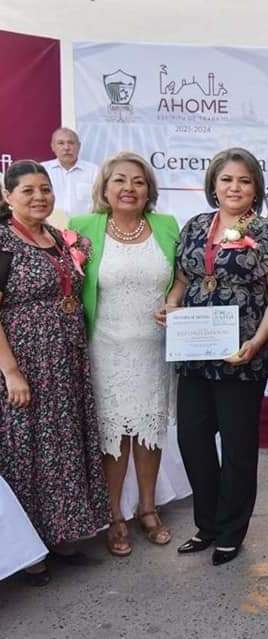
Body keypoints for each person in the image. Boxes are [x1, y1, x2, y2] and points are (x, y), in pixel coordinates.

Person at [157, 148, 268, 566]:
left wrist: (257, 340)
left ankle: (232, 531)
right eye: (227, 180)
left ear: (256, 188)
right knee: (193, 441)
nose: (235, 188)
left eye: (244, 180)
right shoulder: (196, 226)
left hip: (243, 353)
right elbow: (181, 280)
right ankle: (208, 524)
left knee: (236, 447)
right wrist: (171, 305)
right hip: (194, 352)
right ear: (214, 185)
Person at [0, 160, 110, 584]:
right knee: (26, 453)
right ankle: (30, 553)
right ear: (8, 196)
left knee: (62, 448)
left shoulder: (62, 241)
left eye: (44, 189)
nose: (39, 196)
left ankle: (62, 535)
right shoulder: (3, 243)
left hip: (66, 363)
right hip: (26, 365)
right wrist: (11, 372)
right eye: (27, 190)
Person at [69, 152, 184, 557]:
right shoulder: (82, 228)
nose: (129, 188)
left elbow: (182, 275)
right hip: (105, 346)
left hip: (154, 345)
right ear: (104, 188)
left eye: (138, 181)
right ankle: (114, 515)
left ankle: (148, 510)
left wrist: (172, 300)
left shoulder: (167, 226)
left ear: (149, 190)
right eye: (119, 180)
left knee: (150, 430)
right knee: (113, 434)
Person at [41, 128, 98, 224]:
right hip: (49, 228)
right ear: (53, 147)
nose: (66, 147)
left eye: (71, 143)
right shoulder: (42, 170)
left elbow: (99, 202)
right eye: (61, 143)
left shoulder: (94, 171)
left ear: (79, 146)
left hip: (85, 228)